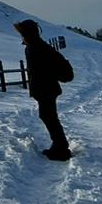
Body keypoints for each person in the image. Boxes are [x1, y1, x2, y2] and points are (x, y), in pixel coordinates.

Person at [14, 18, 72, 159]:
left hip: (46, 88)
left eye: (22, 33)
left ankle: (61, 148)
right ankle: (60, 146)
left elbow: (44, 68)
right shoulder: (35, 46)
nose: (21, 36)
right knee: (48, 116)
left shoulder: (37, 48)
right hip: (45, 88)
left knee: (49, 116)